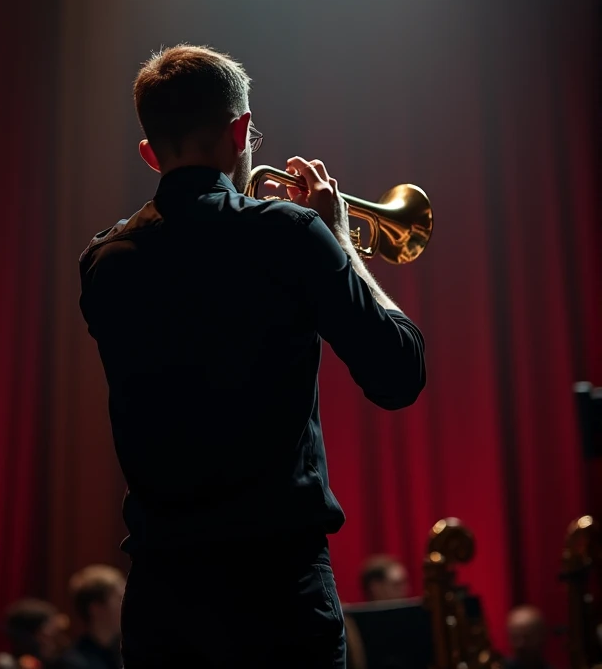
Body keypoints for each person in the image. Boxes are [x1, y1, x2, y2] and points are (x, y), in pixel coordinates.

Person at [79, 44, 426, 669]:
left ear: (150, 153)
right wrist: (341, 242)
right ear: (240, 130)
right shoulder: (290, 234)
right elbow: (399, 374)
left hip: (163, 599)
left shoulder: (104, 264)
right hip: (278, 591)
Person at [68, 566, 124, 669]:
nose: (126, 606)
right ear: (95, 608)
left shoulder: (123, 656)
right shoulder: (74, 663)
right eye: (119, 599)